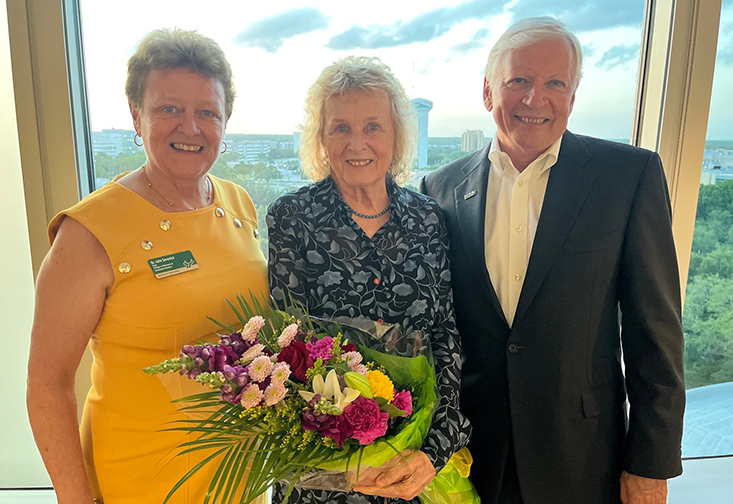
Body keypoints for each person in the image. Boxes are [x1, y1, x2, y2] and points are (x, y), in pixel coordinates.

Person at [421, 17, 685, 504]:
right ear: (487, 92)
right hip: (470, 455)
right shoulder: (439, 189)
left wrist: (649, 464)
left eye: (554, 83)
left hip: (583, 458)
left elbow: (656, 334)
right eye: (518, 80)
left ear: (573, 96)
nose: (533, 98)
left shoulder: (627, 177)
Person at [26, 28, 269, 504]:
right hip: (141, 480)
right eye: (169, 109)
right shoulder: (90, 232)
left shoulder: (239, 203)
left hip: (239, 475)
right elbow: (47, 385)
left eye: (207, 112)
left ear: (225, 122)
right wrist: (74, 498)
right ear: (136, 116)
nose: (190, 128)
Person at [267, 55, 472, 504]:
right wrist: (344, 465)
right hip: (325, 467)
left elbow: (445, 337)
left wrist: (433, 451)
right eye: (341, 127)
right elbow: (290, 351)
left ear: (396, 137)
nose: (357, 142)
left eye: (373, 127)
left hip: (416, 465)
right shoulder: (293, 218)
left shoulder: (428, 219)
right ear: (321, 139)